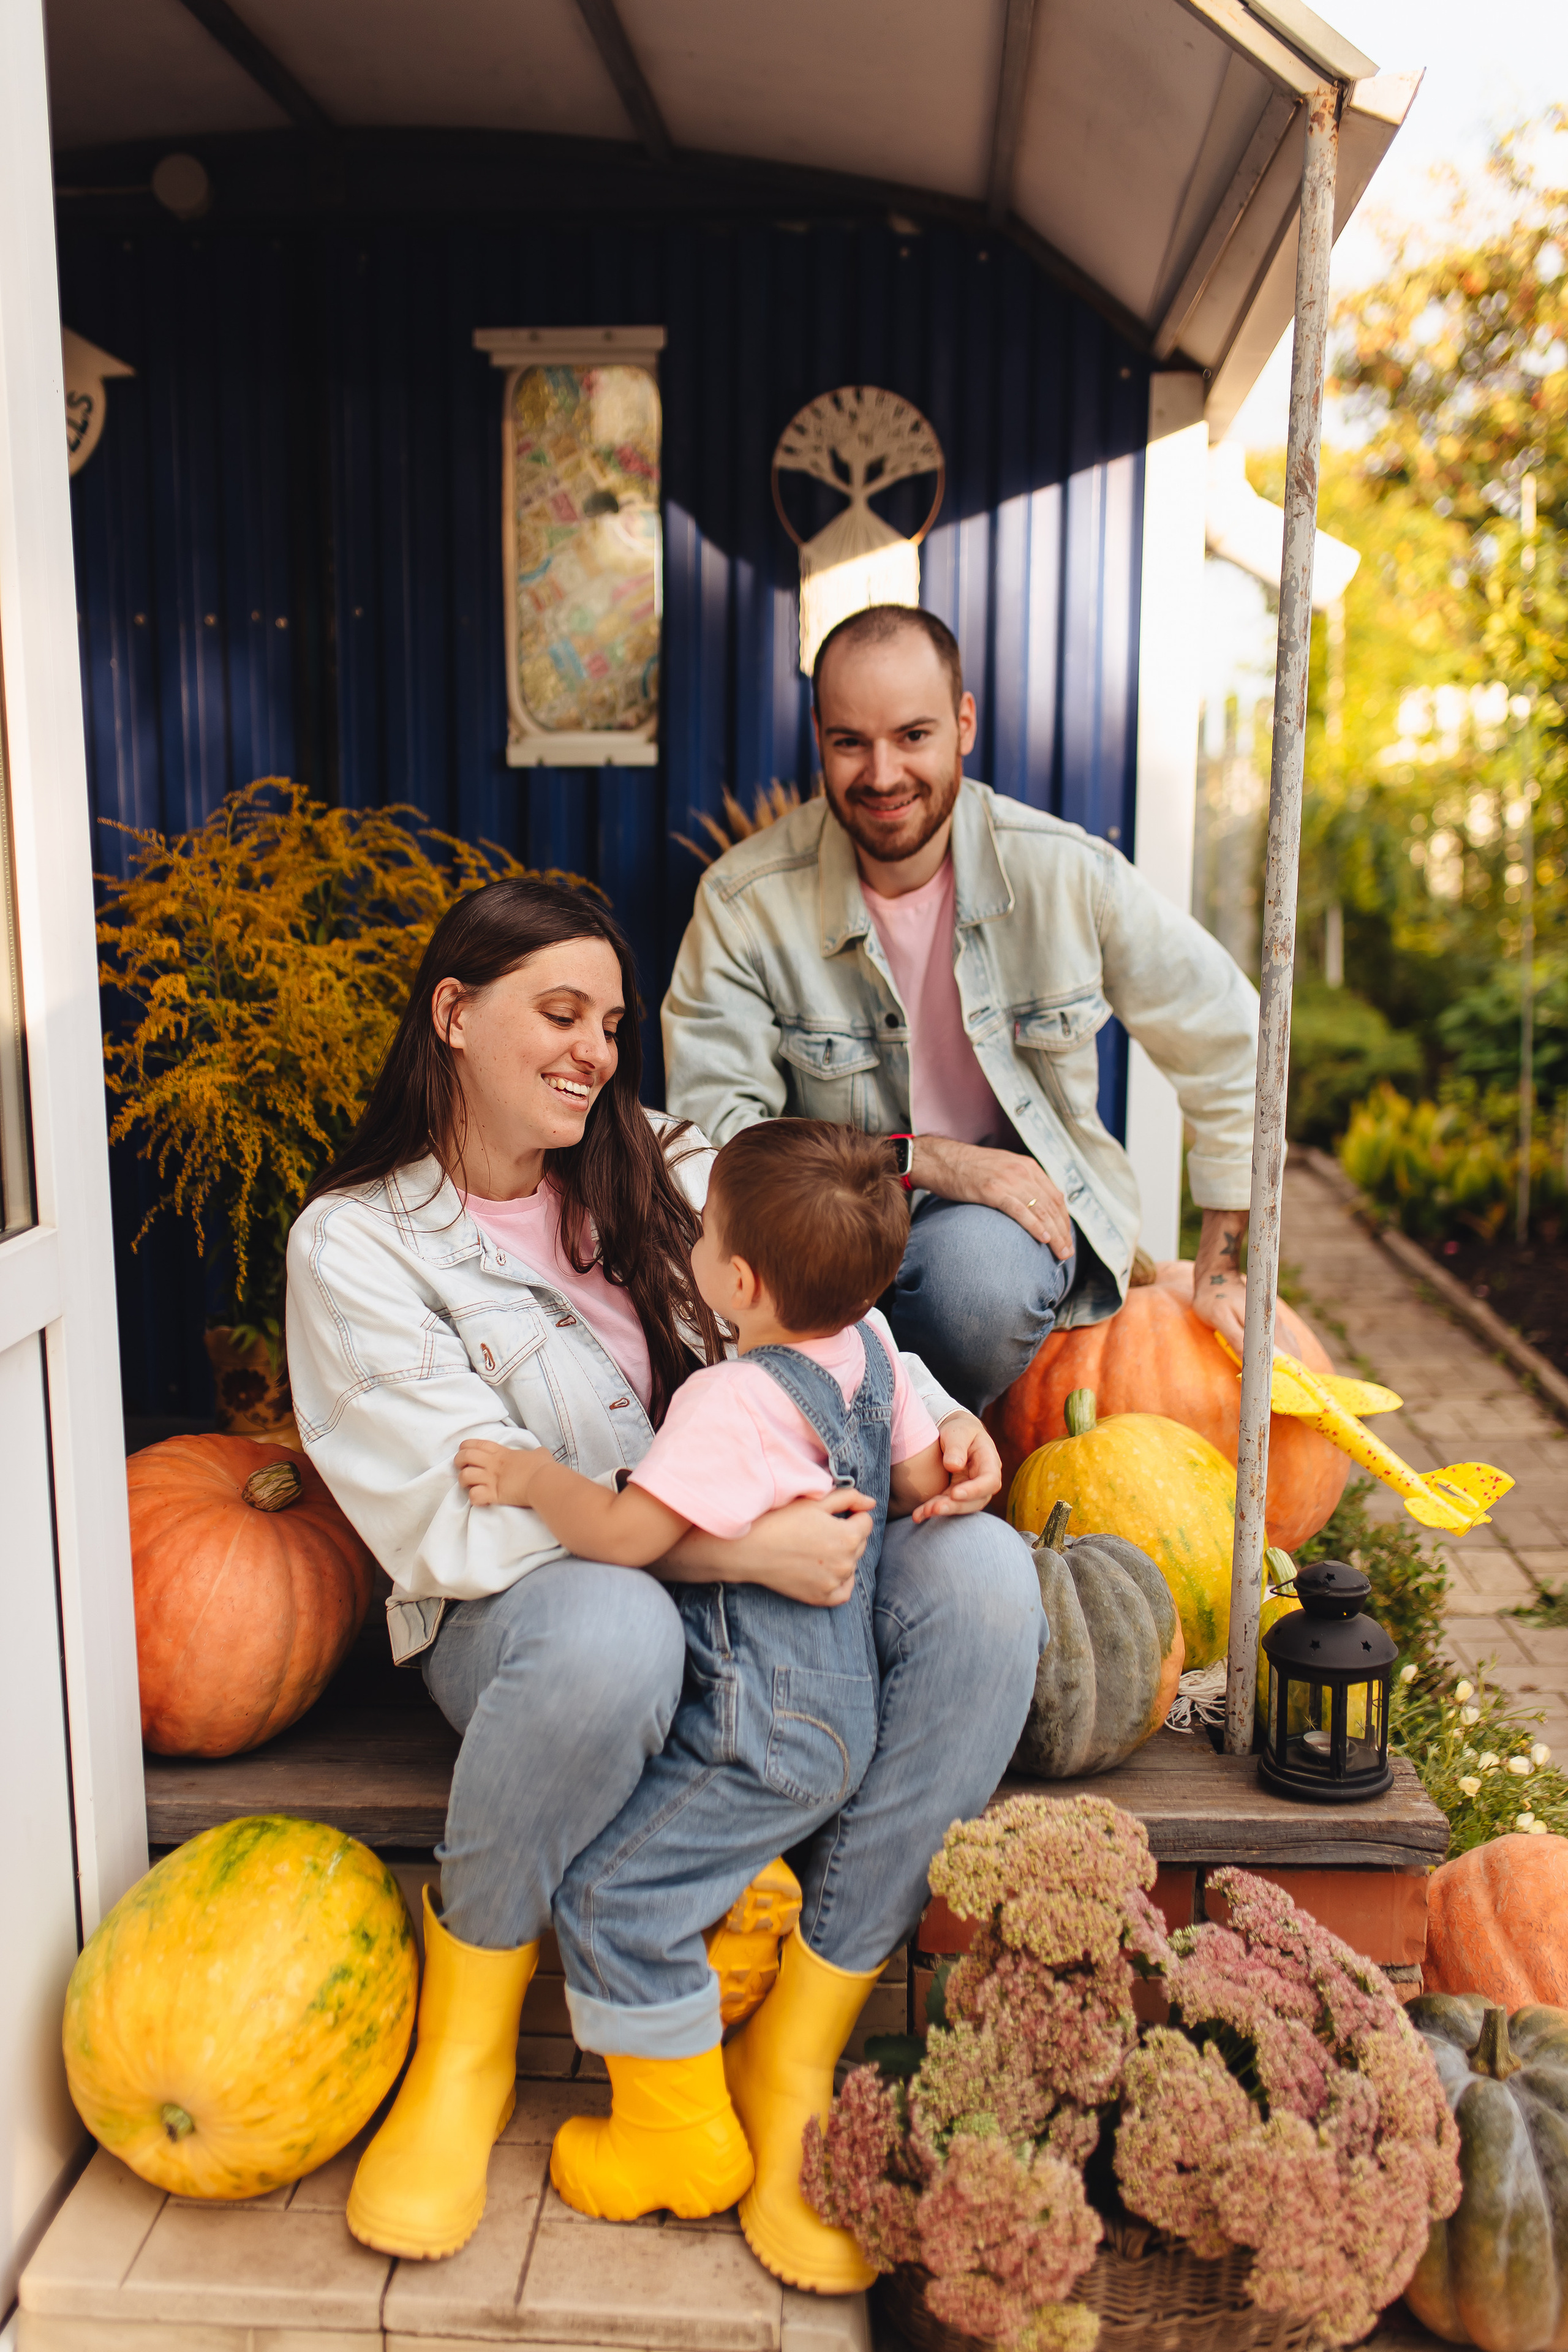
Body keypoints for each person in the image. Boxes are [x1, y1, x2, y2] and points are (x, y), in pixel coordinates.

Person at [285, 876, 1044, 2285]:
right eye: (556, 1014)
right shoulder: (357, 1247)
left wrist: (943, 1434)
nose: (590, 1050)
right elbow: (470, 1517)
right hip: (542, 1607)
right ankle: (464, 2055)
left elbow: (839, 1332)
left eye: (608, 1023)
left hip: (764, 1603)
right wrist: (732, 1549)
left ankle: (794, 2053)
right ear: (452, 1016)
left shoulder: (671, 1161)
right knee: (611, 1633)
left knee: (990, 1585)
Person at [457, 1119, 952, 2241]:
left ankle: (675, 2143)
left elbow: (629, 1536)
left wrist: (538, 1477)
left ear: (736, 1277)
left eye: (704, 1230)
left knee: (610, 1899)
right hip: (840, 1716)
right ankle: (746, 1900)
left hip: (754, 1722)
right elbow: (920, 1476)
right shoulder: (871, 1347)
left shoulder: (732, 1402)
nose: (688, 1247)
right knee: (651, 1837)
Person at [662, 603, 1261, 1414]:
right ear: (819, 736)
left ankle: (915, 1447)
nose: (882, 775)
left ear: (964, 724)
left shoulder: (1067, 876)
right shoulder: (743, 903)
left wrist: (1224, 1266)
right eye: (851, 742)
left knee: (971, 1288)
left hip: (997, 1239)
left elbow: (1233, 1041)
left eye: (913, 736)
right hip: (821, 1225)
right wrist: (922, 1158)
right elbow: (717, 1136)